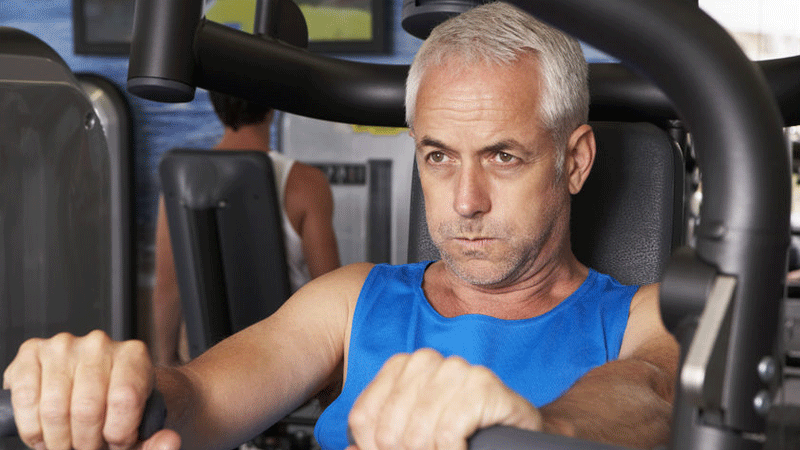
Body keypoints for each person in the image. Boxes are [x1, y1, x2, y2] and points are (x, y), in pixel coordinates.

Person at [3, 3, 679, 450]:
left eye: (503, 157)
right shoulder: (352, 301)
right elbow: (200, 397)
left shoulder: (643, 316)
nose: (465, 200)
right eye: (438, 157)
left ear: (576, 161)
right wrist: (117, 388)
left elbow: (649, 394)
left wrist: (538, 431)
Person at [149, 92, 341, 366]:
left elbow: (167, 290)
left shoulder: (181, 181)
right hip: (285, 363)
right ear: (272, 108)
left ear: (215, 105)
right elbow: (330, 290)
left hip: (208, 364)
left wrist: (167, 367)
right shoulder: (306, 183)